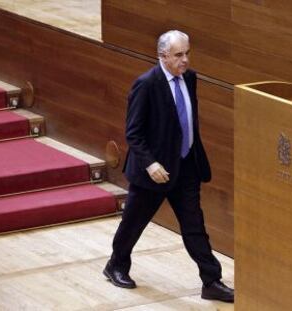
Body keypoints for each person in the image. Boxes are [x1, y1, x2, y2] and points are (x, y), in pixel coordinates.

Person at [103, 30, 234, 303]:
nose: (185, 60)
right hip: (154, 171)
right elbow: (134, 133)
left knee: (194, 225)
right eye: (178, 55)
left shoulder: (190, 78)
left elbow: (186, 122)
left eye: (187, 53)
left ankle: (211, 280)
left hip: (185, 166)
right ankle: (116, 265)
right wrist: (150, 163)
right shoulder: (146, 84)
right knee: (133, 223)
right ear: (163, 56)